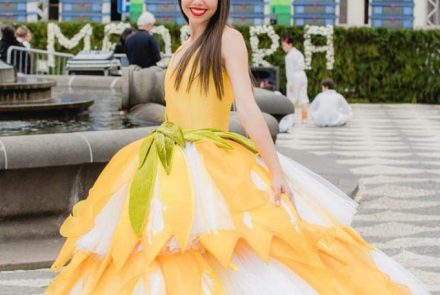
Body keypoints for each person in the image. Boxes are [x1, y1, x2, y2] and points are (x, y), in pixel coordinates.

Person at [45, 0, 430, 294]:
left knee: (226, 245)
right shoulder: (184, 45)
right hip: (166, 158)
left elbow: (246, 107)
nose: (198, 1)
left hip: (210, 157)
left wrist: (275, 168)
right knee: (160, 249)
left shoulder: (228, 39)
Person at [282, 35, 309, 122]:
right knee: (303, 96)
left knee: (291, 98)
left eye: (284, 45)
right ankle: (304, 118)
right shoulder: (298, 53)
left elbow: (290, 71)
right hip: (302, 75)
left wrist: (291, 83)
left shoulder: (289, 56)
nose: (283, 48)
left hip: (294, 77)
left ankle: (291, 118)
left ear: (290, 45)